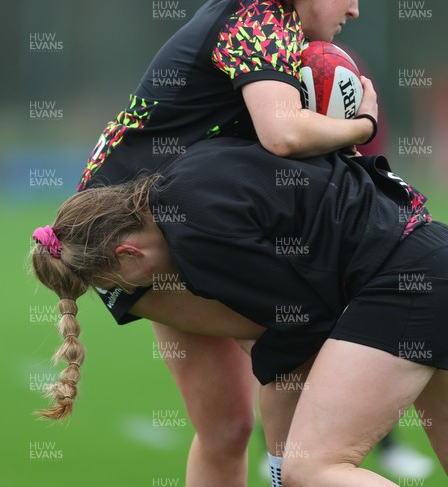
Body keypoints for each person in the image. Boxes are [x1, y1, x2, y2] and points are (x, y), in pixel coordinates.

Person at [71, 0, 377, 486]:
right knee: (302, 331)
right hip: (135, 230)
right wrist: (361, 125)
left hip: (147, 225)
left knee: (227, 428)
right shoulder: (259, 16)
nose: (356, 8)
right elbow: (283, 134)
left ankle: (297, 469)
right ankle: (302, 475)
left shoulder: (254, 13)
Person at [31, 138, 448, 486]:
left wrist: (280, 440)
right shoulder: (186, 171)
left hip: (403, 279)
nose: (143, 294)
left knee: (312, 468)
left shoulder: (194, 242)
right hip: (429, 248)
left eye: (121, 285)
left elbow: (301, 322)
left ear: (128, 253)